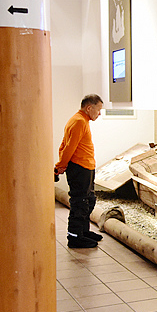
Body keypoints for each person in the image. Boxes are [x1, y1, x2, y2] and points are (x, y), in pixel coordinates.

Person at [55, 94, 104, 248]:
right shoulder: (78, 121)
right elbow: (69, 147)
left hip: (86, 167)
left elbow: (63, 144)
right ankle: (75, 237)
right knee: (80, 202)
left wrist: (62, 163)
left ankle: (83, 231)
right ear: (89, 108)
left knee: (88, 200)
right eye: (98, 110)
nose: (99, 113)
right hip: (80, 168)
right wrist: (61, 165)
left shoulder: (81, 120)